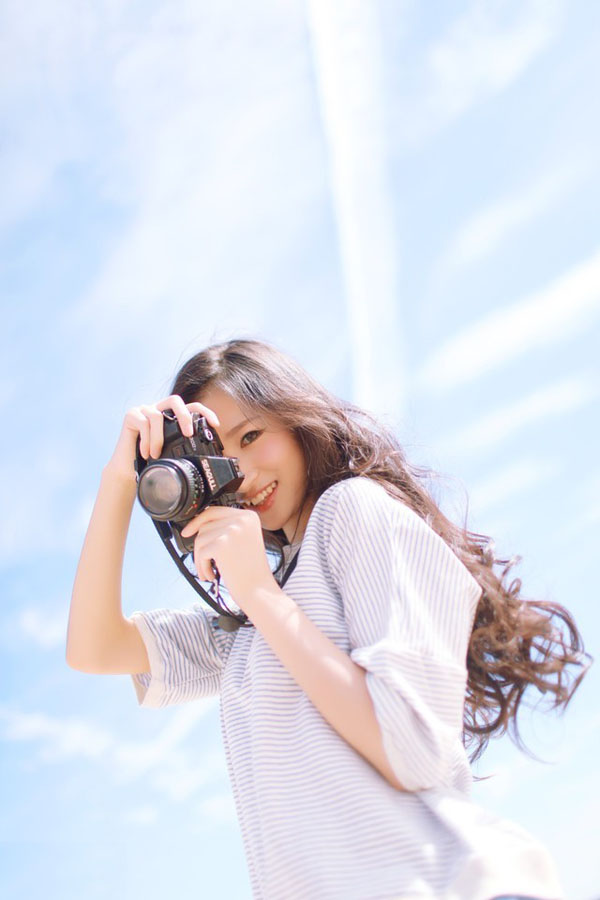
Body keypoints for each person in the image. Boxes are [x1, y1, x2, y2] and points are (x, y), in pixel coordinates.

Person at [67, 338, 588, 900]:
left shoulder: (352, 509)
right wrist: (120, 480)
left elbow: (411, 750)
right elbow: (93, 648)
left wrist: (260, 594)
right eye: (222, 457)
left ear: (296, 422)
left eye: (252, 435)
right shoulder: (246, 632)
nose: (242, 474)